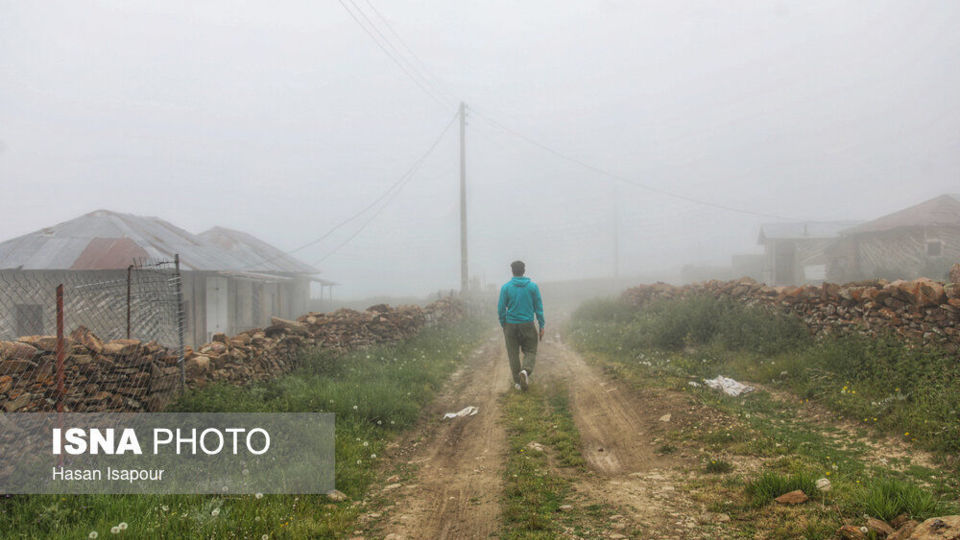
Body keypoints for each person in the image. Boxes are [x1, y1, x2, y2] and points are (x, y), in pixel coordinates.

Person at [497, 260, 545, 391]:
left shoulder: (506, 288)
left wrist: (504, 324)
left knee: (513, 354)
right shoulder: (532, 287)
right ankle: (526, 370)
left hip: (511, 325)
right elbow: (538, 307)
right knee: (530, 350)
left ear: (512, 271)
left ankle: (518, 383)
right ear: (524, 271)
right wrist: (541, 325)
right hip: (527, 324)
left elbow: (501, 309)